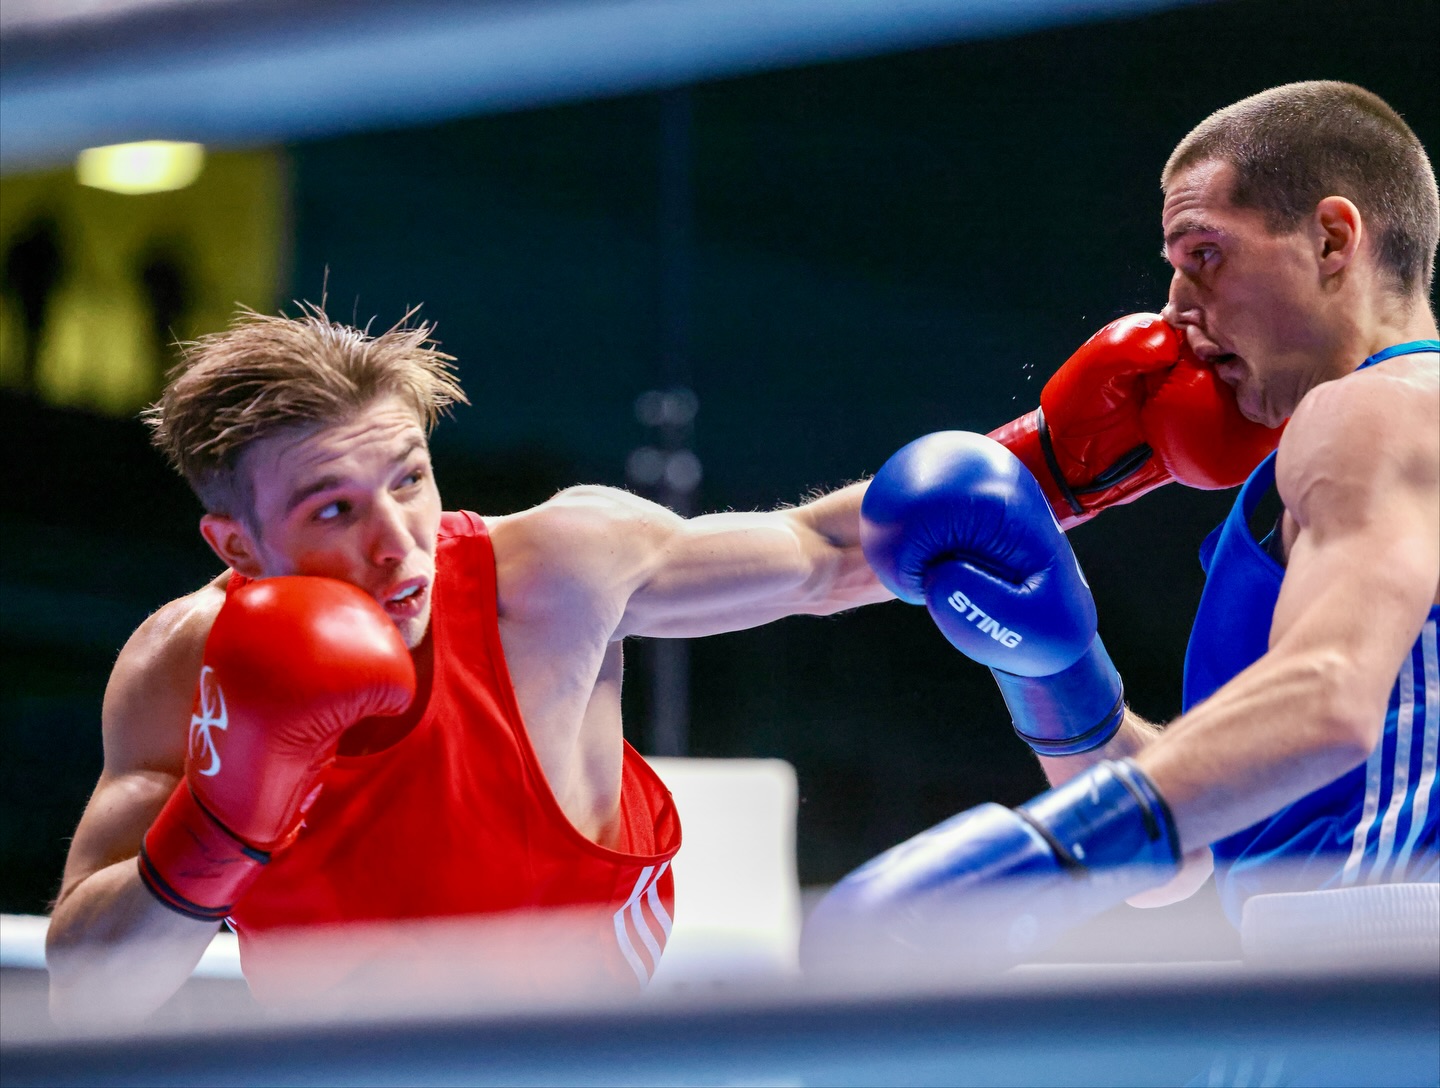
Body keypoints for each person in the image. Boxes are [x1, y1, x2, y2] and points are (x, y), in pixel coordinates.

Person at [43, 271, 1270, 1022]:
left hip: (596, 1046)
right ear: (234, 540)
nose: (397, 542)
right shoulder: (184, 665)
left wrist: (1071, 457)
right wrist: (225, 823)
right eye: (331, 509)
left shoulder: (553, 572)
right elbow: (93, 984)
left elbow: (826, 556)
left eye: (406, 478)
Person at [802, 81, 1440, 974]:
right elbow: (1184, 852)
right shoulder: (1354, 451)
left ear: (1333, 239)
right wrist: (1062, 680)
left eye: (1206, 254)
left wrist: (1033, 863)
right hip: (1320, 964)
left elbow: (1327, 701)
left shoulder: (1381, 410)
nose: (1178, 304)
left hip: (1386, 958)